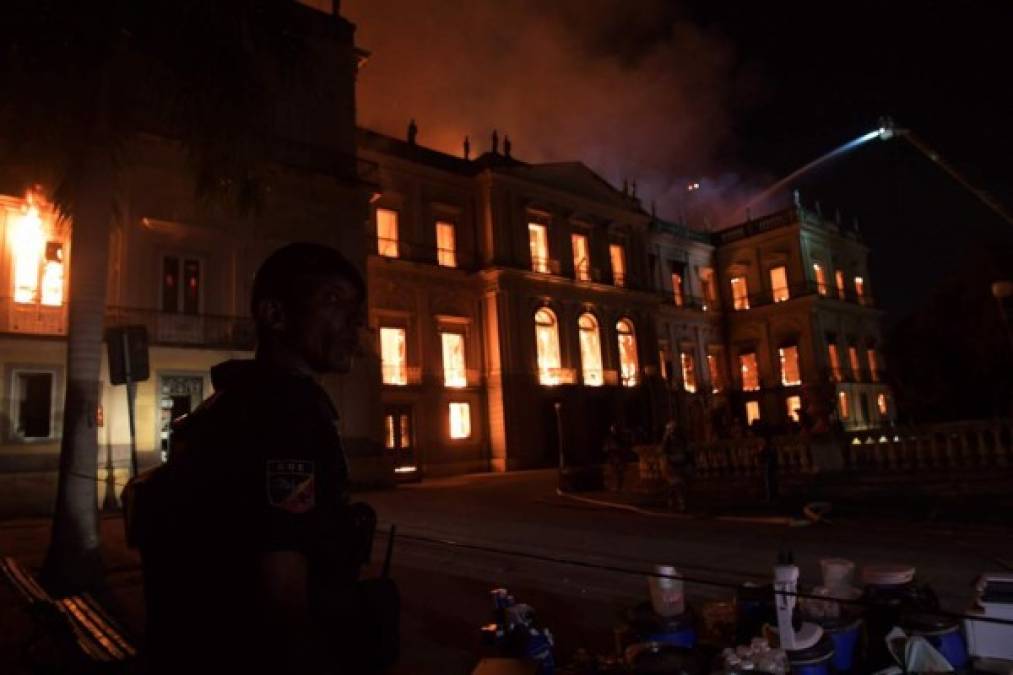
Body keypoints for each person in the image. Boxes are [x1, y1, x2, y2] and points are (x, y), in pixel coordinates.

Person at [124, 243, 398, 674]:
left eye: (356, 307)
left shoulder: (225, 404)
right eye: (332, 300)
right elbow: (282, 590)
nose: (354, 321)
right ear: (274, 315)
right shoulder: (288, 415)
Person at [660, 420, 692, 511]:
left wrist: (688, 462)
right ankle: (681, 502)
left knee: (682, 484)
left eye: (675, 430)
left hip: (682, 464)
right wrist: (668, 463)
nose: (673, 433)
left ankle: (672, 497)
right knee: (677, 483)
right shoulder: (666, 444)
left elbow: (688, 452)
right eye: (671, 431)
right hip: (671, 466)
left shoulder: (683, 441)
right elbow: (664, 456)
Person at [603, 424, 628, 492]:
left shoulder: (620, 438)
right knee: (614, 472)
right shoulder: (609, 439)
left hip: (619, 456)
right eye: (613, 429)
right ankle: (615, 487)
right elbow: (606, 448)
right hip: (613, 456)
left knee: (620, 472)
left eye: (615, 429)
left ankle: (619, 487)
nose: (614, 431)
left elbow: (624, 447)